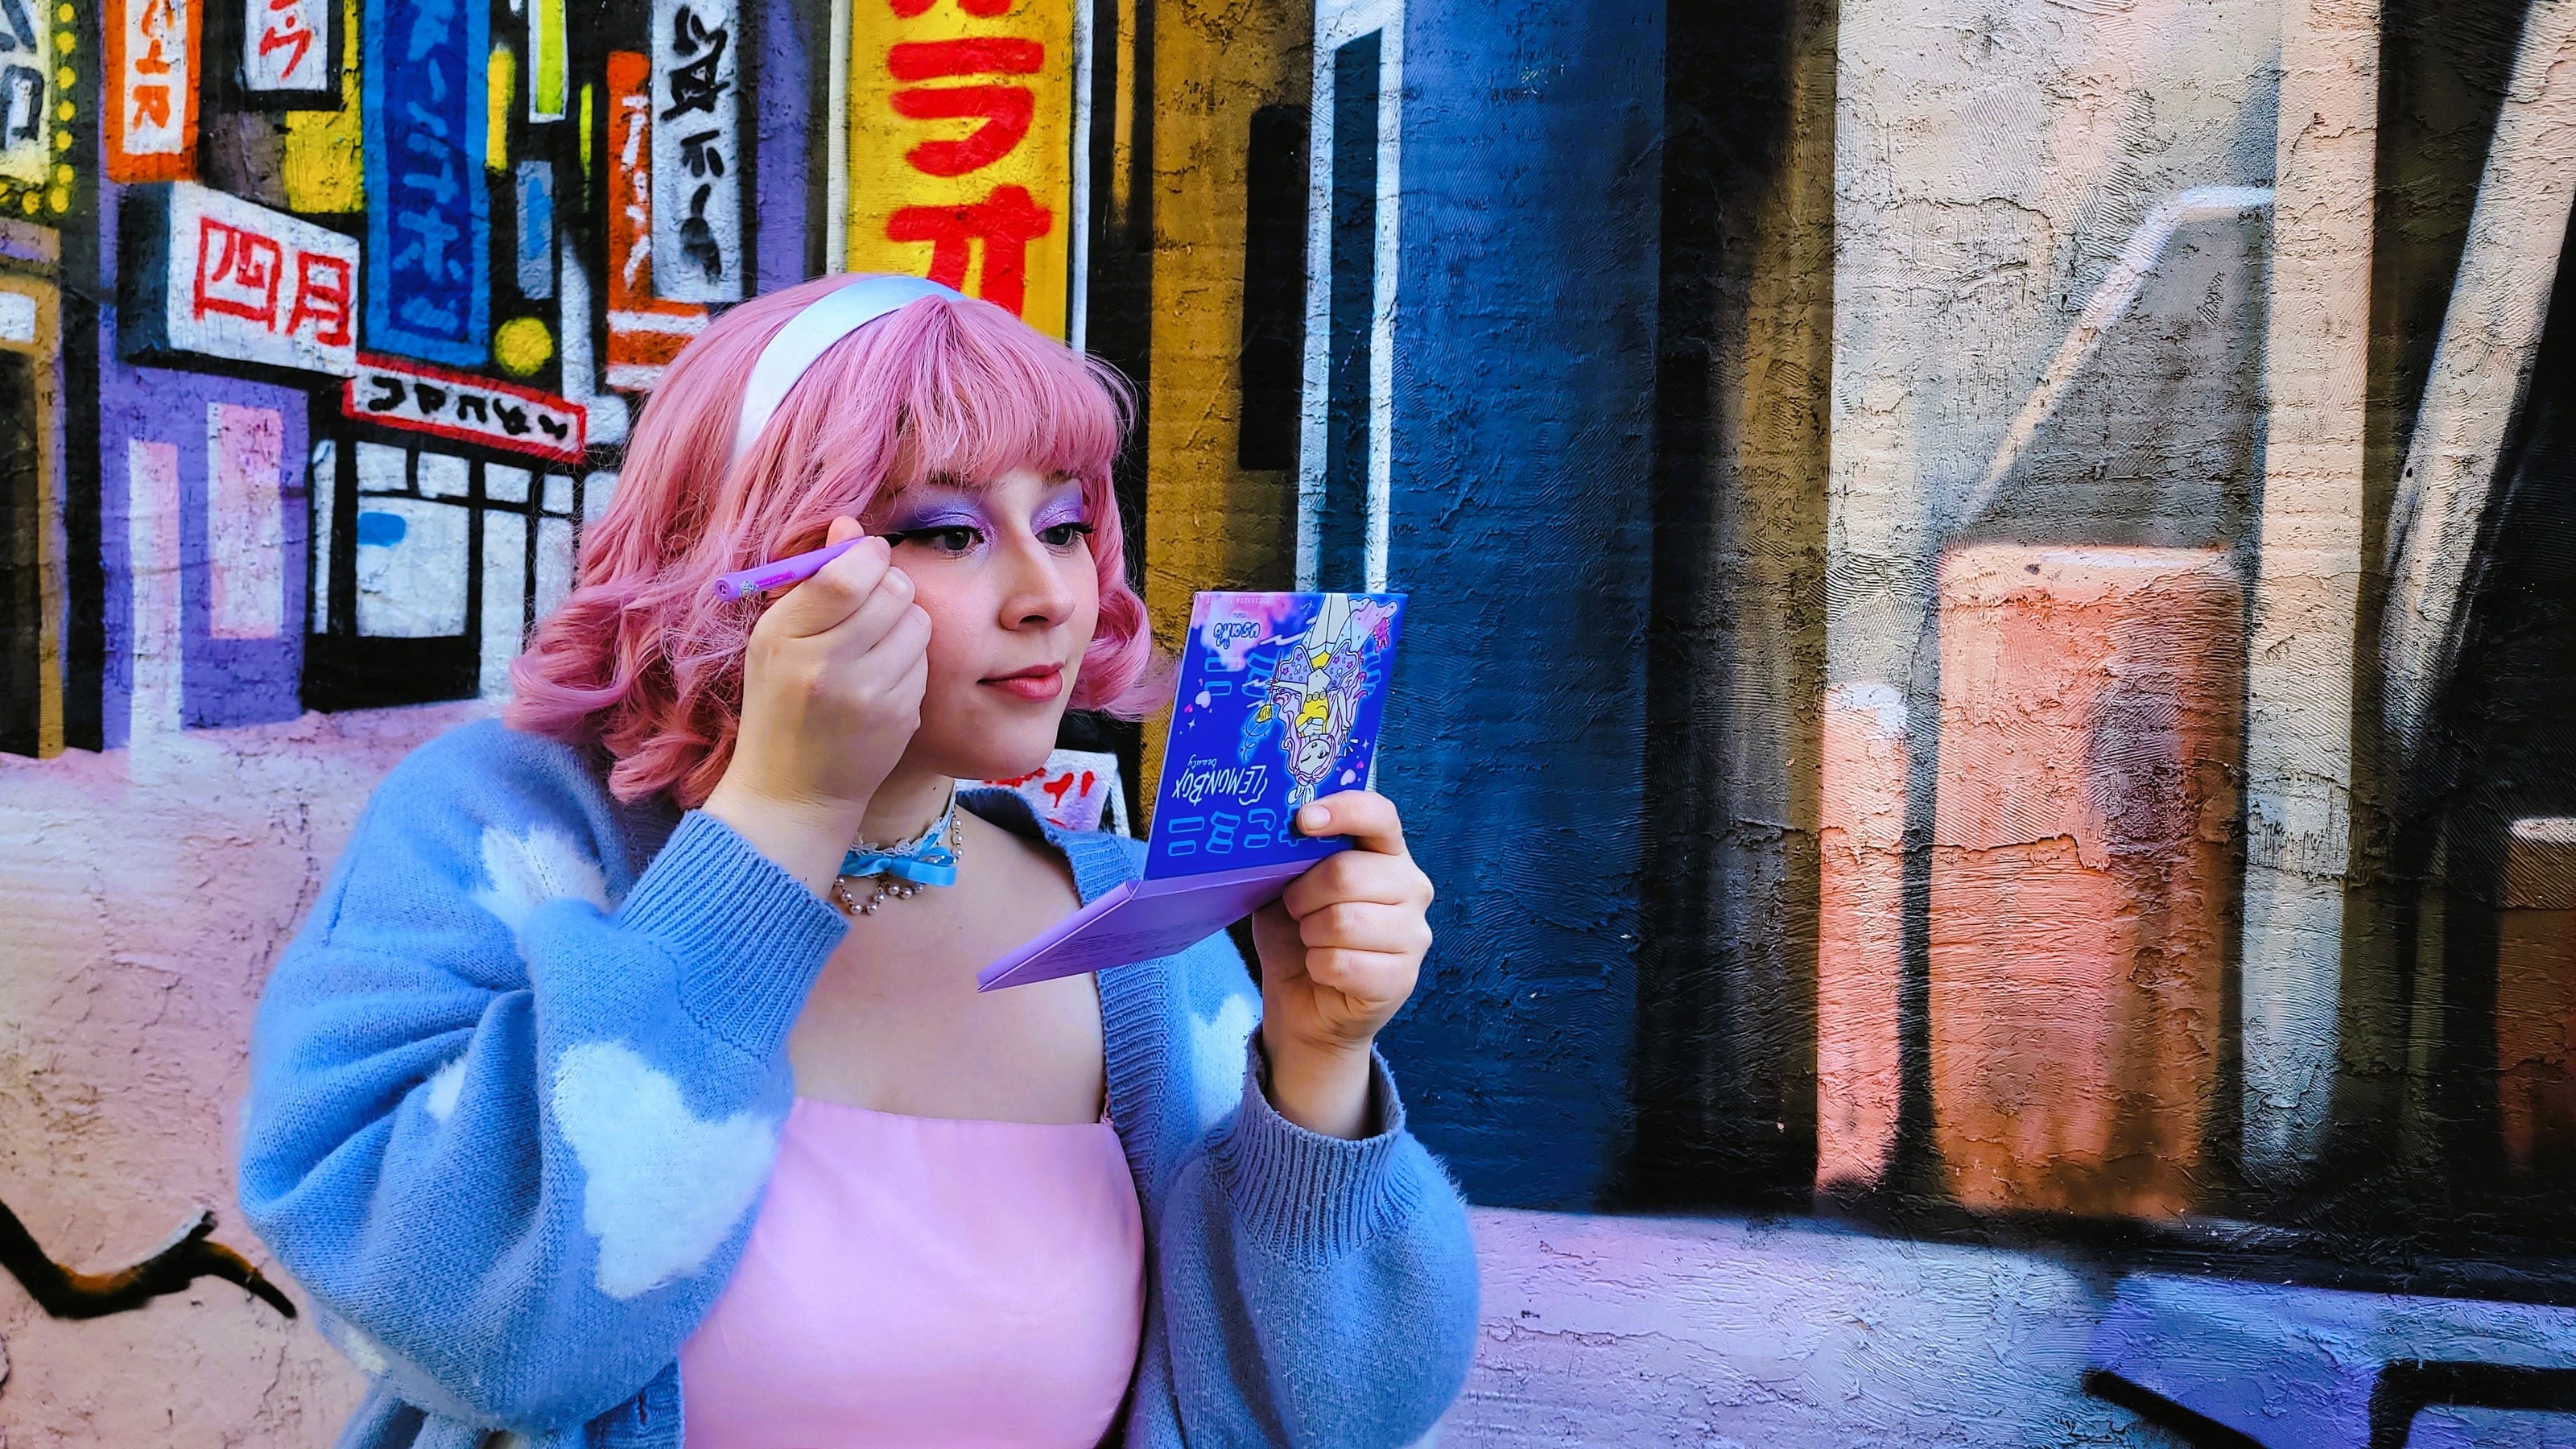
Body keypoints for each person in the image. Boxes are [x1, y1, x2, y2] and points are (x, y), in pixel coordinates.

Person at [236, 275, 1480, 1449]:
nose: (1050, 591)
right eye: (945, 532)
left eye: (1061, 523)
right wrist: (778, 821)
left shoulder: (1139, 942)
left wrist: (1319, 1068)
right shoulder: (512, 837)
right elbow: (453, 1321)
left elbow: (1330, 1415)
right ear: (738, 557)